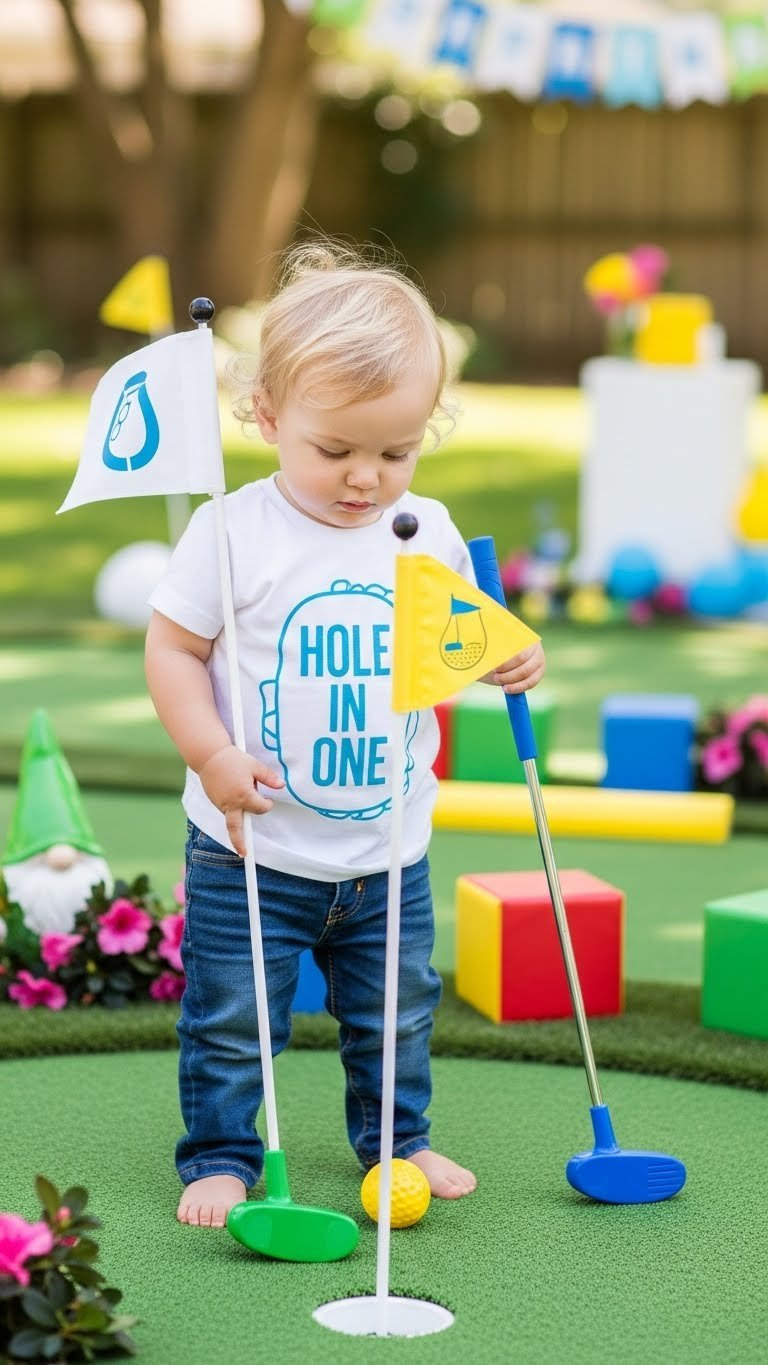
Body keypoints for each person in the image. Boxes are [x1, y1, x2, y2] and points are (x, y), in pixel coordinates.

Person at [145, 240, 546, 1230]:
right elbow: (173, 650)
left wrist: (506, 658)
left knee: (398, 1015)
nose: (367, 477)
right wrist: (212, 755)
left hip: (387, 847)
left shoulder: (428, 531)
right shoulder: (233, 533)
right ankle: (224, 1154)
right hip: (254, 846)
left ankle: (397, 1142)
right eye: (335, 451)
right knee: (234, 1017)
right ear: (267, 415)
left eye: (396, 452)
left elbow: (460, 640)